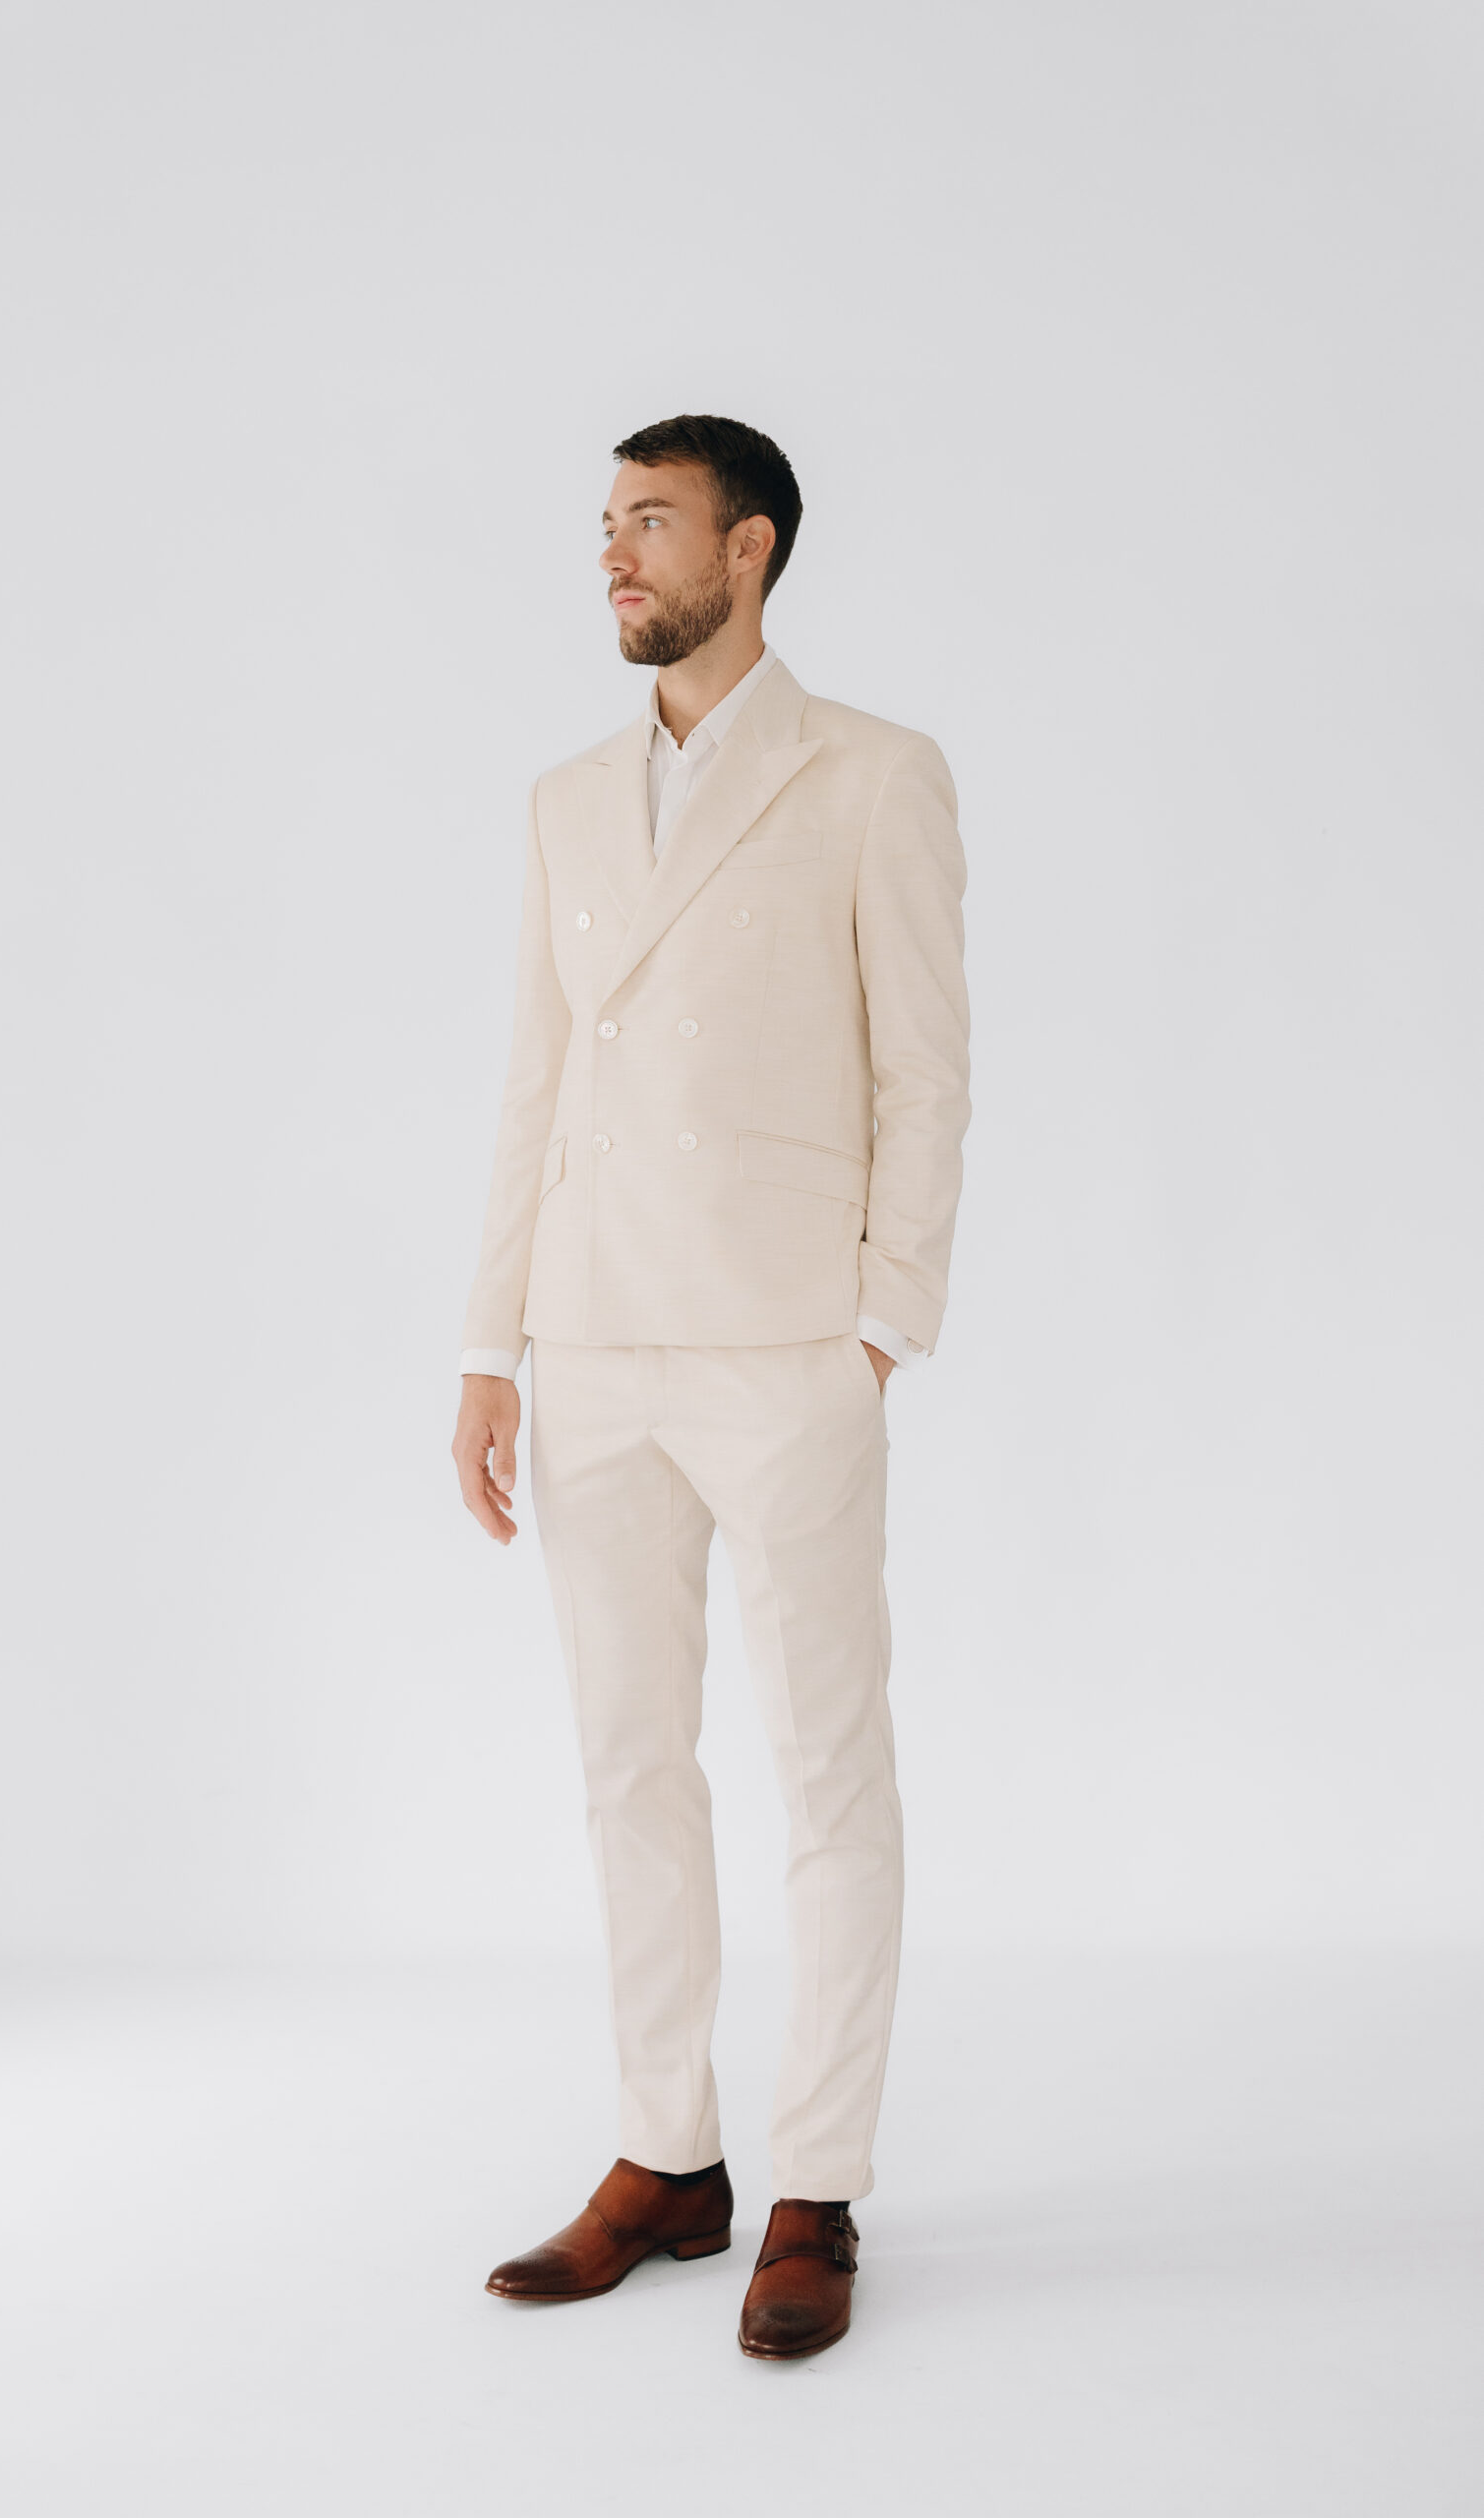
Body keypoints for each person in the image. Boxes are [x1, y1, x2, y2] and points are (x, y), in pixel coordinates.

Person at [451, 413, 971, 2360]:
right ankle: (667, 2156)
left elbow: (925, 1069)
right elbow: (533, 1080)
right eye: (607, 524)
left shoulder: (871, 773)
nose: (614, 553)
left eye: (651, 522)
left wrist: (877, 1325)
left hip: (782, 1347)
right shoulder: (564, 798)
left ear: (747, 549)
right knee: (627, 1761)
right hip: (591, 1342)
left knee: (828, 1767)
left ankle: (815, 2183)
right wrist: (490, 1346)